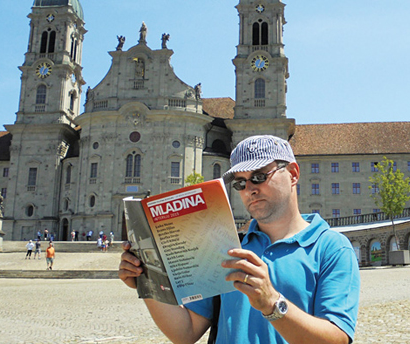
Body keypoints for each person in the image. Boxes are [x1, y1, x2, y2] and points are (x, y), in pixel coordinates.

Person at [119, 135, 360, 344]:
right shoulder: (227, 246)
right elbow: (185, 332)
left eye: (259, 176)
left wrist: (272, 304)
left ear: (293, 174)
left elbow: (337, 338)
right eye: (240, 183)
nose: (249, 190)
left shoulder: (332, 248)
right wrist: (146, 282)